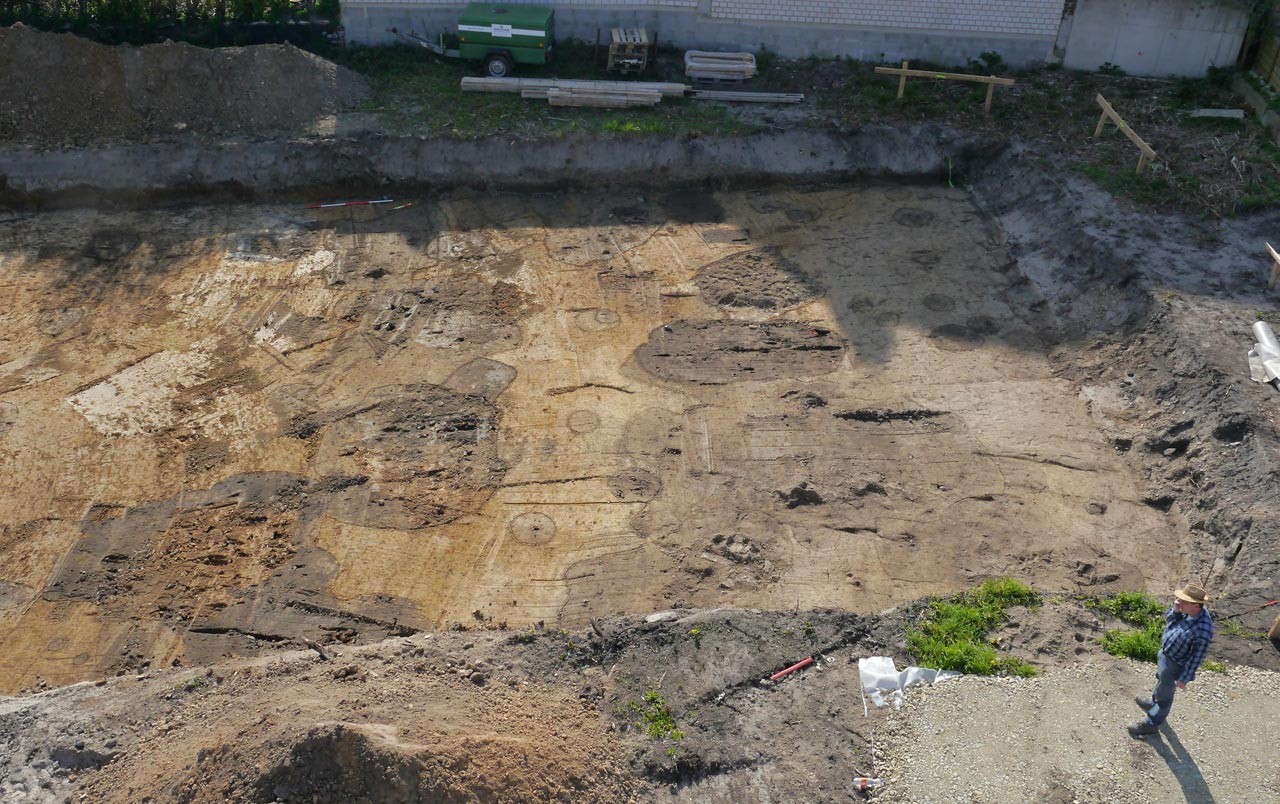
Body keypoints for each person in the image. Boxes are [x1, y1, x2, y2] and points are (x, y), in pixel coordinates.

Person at [1128, 582, 1214, 737]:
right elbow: (1170, 622)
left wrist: (1184, 679)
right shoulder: (1187, 611)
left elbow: (1197, 657)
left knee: (1165, 697)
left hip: (1175, 665)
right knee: (1161, 682)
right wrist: (1176, 612)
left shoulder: (1203, 630)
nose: (1178, 602)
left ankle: (1152, 723)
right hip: (1166, 656)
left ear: (1196, 605)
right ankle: (1153, 703)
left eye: (1183, 601)